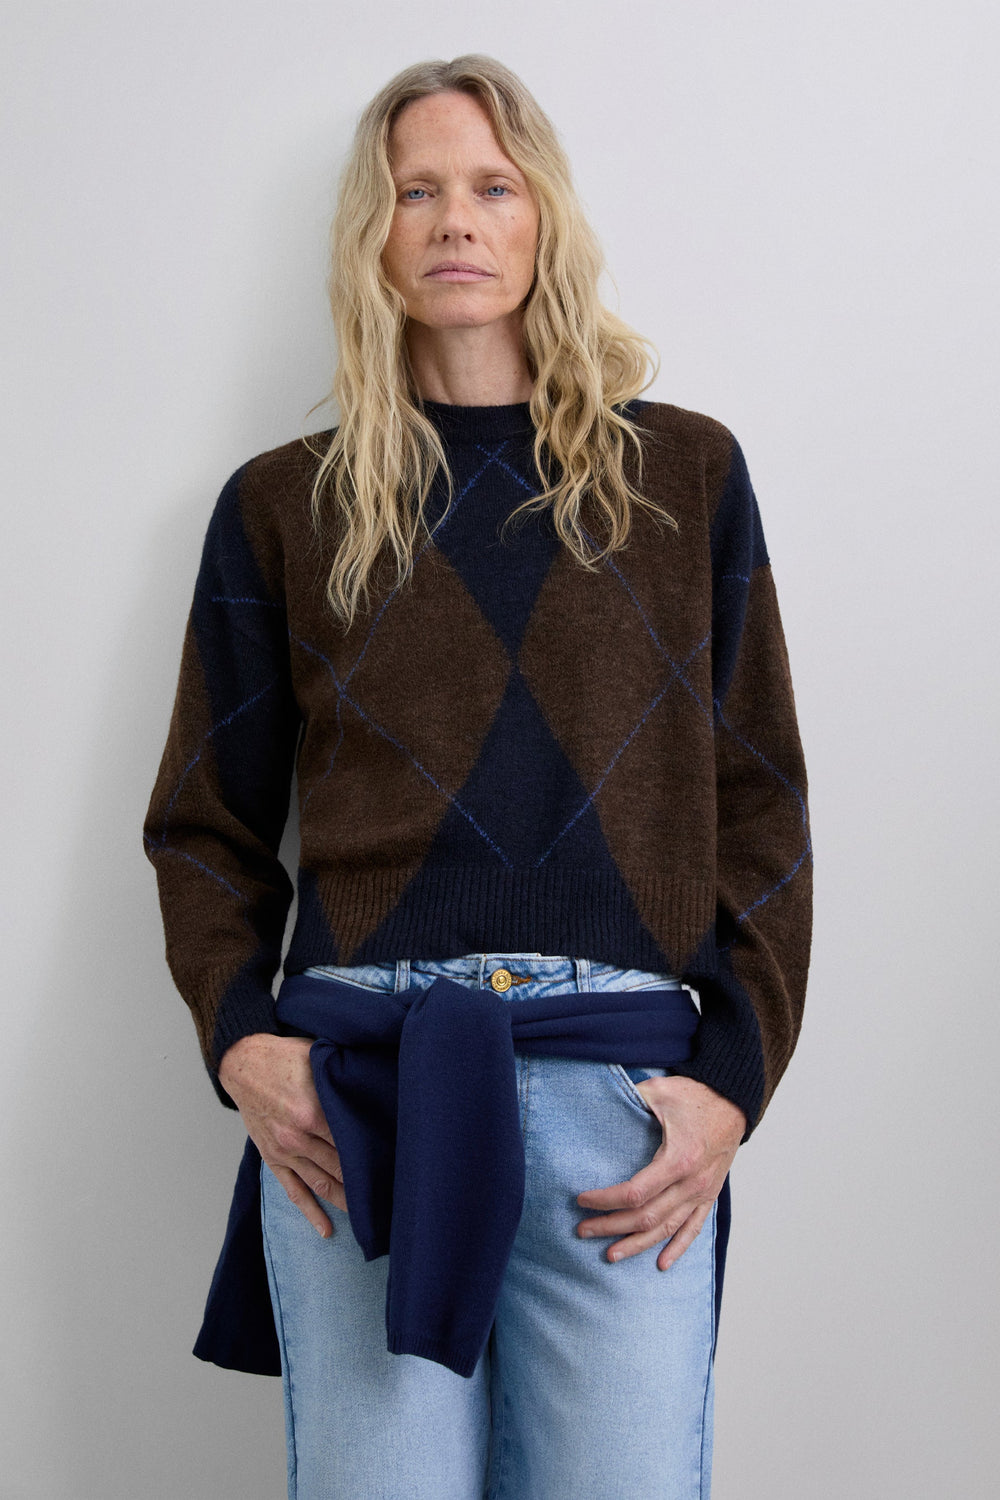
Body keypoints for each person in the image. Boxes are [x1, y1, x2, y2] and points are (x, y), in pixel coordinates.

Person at [144, 53, 812, 1500]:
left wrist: (733, 1081)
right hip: (362, 1101)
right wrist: (243, 1044)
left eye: (493, 187)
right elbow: (203, 826)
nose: (456, 219)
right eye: (417, 190)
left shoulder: (684, 479)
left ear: (542, 217)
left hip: (620, 1105)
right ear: (372, 235)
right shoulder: (285, 505)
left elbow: (762, 801)